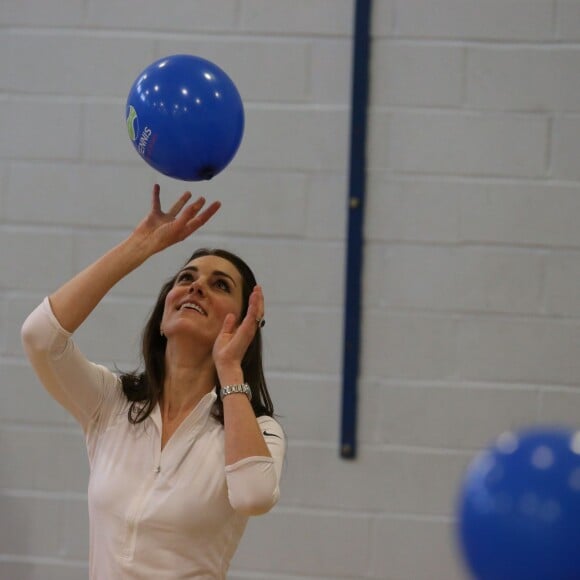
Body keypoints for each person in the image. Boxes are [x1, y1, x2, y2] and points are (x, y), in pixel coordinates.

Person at [21, 185, 285, 580]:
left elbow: (254, 496)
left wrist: (230, 367)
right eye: (186, 278)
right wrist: (140, 246)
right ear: (164, 313)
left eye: (220, 285)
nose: (196, 286)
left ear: (246, 322)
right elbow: (40, 337)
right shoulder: (111, 402)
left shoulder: (258, 429)